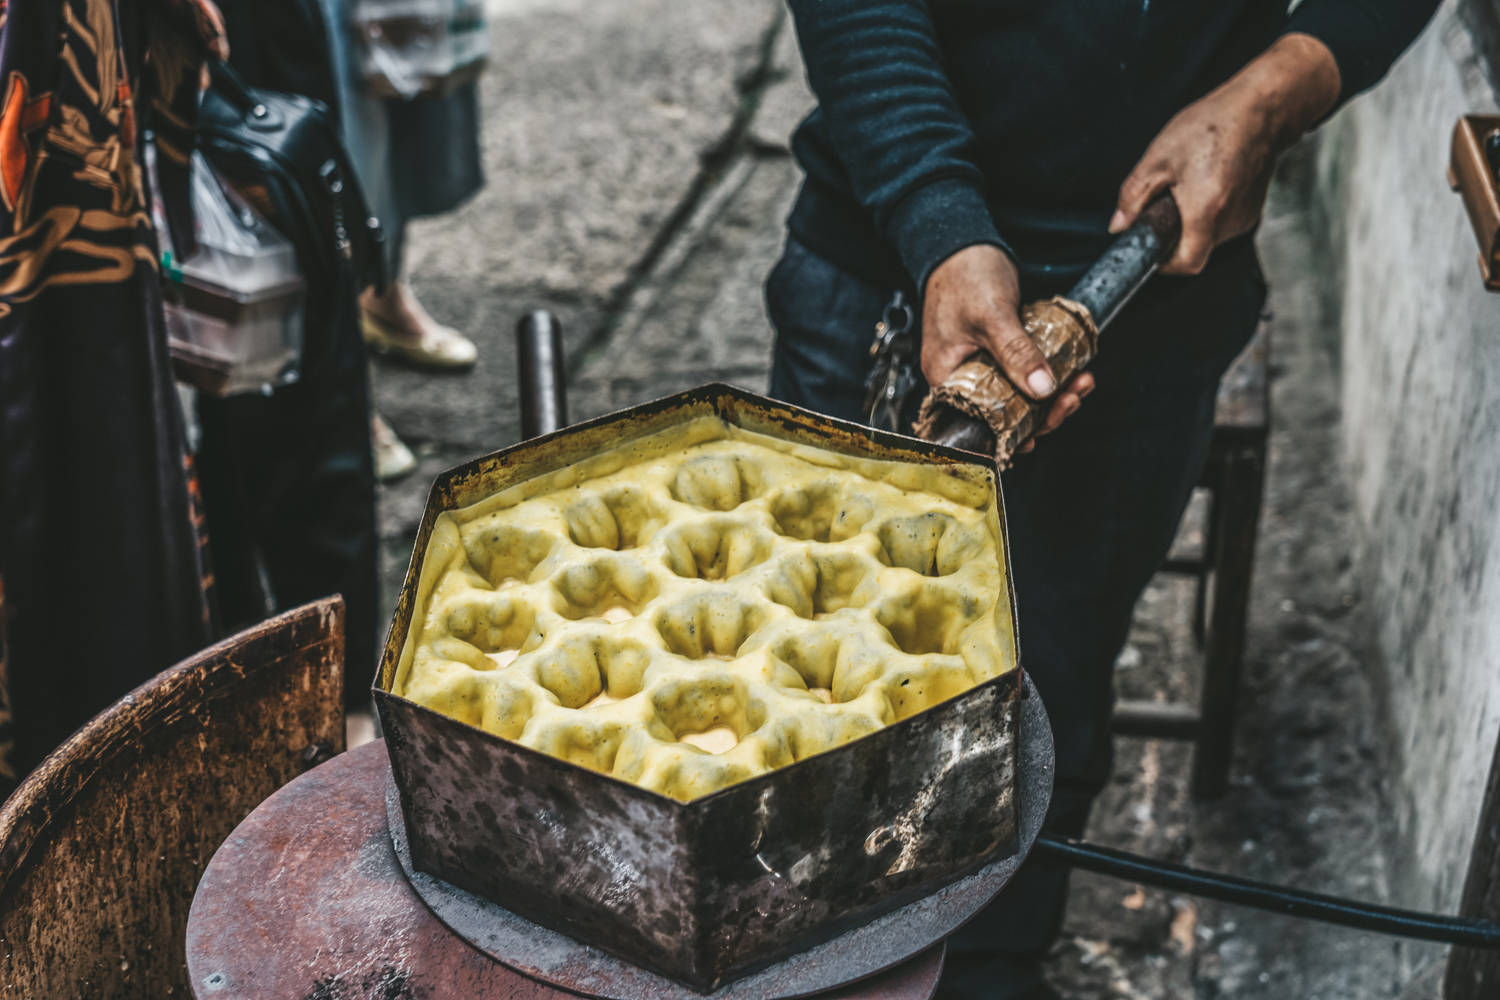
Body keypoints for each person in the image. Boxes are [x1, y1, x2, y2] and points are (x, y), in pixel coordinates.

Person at [767, 3, 1439, 997]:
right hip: (882, 269)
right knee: (820, 712)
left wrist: (1275, 90)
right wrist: (937, 216)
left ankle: (993, 965)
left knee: (1046, 711)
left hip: (1156, 296)